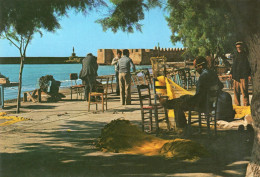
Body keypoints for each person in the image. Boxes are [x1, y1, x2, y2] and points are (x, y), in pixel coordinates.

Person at [160, 56, 223, 128]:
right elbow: (221, 86)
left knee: (178, 104)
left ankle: (182, 128)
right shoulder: (213, 73)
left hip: (202, 104)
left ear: (201, 66)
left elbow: (198, 96)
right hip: (211, 103)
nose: (195, 69)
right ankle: (168, 103)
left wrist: (189, 100)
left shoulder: (203, 77)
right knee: (184, 97)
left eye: (196, 67)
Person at [230, 41, 251, 106]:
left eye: (239, 47)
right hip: (236, 77)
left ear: (242, 47)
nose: (238, 48)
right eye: (237, 47)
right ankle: (237, 106)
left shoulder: (246, 55)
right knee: (236, 93)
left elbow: (249, 65)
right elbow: (233, 65)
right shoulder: (235, 55)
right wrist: (231, 73)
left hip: (243, 76)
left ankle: (246, 105)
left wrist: (249, 75)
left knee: (244, 92)